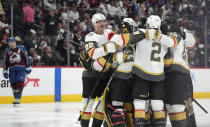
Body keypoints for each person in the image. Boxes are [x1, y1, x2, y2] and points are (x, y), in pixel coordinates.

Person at [109, 15, 178, 127]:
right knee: (157, 103)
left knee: (140, 102)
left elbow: (126, 39)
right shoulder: (165, 38)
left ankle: (140, 124)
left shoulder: (142, 33)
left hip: (141, 74)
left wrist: (114, 39)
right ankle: (160, 125)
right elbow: (170, 56)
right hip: (159, 76)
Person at [79, 13, 118, 127]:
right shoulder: (90, 36)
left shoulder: (109, 33)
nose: (102, 24)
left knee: (102, 105)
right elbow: (93, 54)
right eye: (99, 22)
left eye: (103, 21)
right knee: (88, 103)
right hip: (90, 74)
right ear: (94, 24)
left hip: (106, 75)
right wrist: (106, 48)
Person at [162, 16, 197, 127]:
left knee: (176, 107)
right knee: (184, 106)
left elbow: (192, 42)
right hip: (183, 74)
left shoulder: (173, 35)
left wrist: (182, 33)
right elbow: (192, 43)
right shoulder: (172, 35)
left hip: (175, 73)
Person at [2, 37, 31, 104]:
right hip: (12, 69)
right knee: (13, 84)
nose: (11, 43)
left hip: (21, 68)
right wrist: (5, 70)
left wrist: (28, 67)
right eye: (10, 42)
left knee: (19, 83)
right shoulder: (7, 50)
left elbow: (26, 58)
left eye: (13, 42)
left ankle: (18, 98)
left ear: (15, 42)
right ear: (8, 43)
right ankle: (16, 99)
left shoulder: (21, 48)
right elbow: (5, 62)